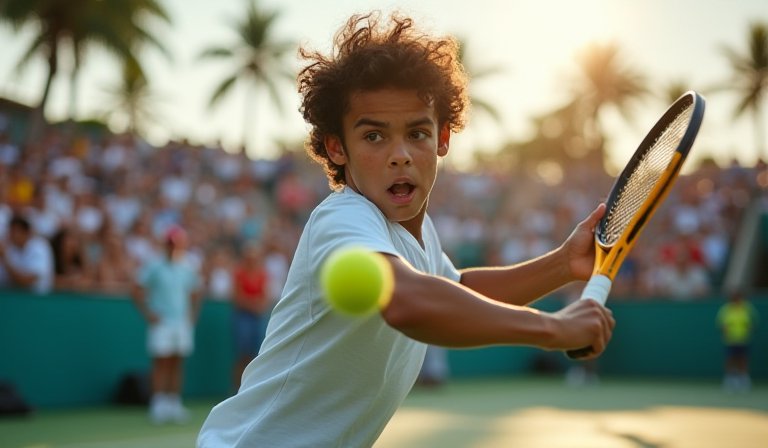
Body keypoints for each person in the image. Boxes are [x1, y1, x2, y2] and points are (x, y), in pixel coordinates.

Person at [198, 12, 614, 447]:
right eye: (374, 137)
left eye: (417, 133)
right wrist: (553, 329)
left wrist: (563, 264)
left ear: (442, 138)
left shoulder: (418, 233)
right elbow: (408, 302)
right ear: (337, 147)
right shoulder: (344, 216)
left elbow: (460, 291)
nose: (400, 154)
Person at [132, 225, 202, 424]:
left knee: (177, 362)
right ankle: (158, 404)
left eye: (177, 244)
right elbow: (136, 289)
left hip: (181, 323)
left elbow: (196, 291)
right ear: (165, 245)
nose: (173, 247)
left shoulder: (188, 265)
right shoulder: (154, 265)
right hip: (161, 322)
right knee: (160, 362)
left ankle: (174, 403)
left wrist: (193, 315)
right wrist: (149, 313)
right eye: (170, 244)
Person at [230, 240, 272, 391]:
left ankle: (253, 389)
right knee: (243, 354)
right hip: (243, 317)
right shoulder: (239, 273)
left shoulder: (262, 274)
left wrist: (257, 306)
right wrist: (255, 305)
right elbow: (237, 298)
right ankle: (238, 389)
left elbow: (265, 297)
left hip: (257, 318)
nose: (251, 260)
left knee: (257, 354)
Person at [717, 290, 759, 392]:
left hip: (744, 339)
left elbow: (754, 322)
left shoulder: (748, 308)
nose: (736, 299)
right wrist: (726, 331)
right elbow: (721, 324)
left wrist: (749, 329)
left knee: (743, 359)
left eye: (738, 297)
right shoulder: (726, 309)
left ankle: (744, 380)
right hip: (730, 340)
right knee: (730, 359)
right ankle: (730, 380)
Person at [0, 214, 54, 294]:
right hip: (16, 296)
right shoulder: (10, 248)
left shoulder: (39, 246)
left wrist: (4, 258)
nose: (11, 235)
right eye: (10, 231)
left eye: (15, 232)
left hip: (38, 298)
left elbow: (27, 281)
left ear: (26, 232)